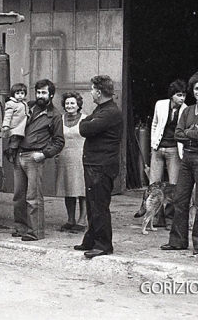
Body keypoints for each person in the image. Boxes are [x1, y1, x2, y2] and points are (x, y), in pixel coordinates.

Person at [160, 71, 198, 255]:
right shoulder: (187, 110)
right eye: (196, 89)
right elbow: (176, 134)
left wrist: (190, 133)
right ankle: (177, 241)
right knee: (180, 199)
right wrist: (192, 133)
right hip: (186, 158)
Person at [73, 75, 123, 259]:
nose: (90, 92)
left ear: (99, 92)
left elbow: (84, 128)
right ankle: (91, 239)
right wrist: (87, 122)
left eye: (92, 89)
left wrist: (87, 123)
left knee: (99, 205)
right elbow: (85, 124)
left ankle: (103, 244)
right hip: (95, 164)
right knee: (93, 203)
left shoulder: (110, 112)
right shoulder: (102, 109)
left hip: (101, 165)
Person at [12, 79, 65, 241]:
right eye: (38, 92)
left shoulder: (54, 115)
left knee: (33, 197)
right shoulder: (28, 107)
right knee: (18, 196)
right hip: (19, 154)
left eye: (44, 93)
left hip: (34, 157)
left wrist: (44, 154)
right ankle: (21, 228)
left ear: (51, 95)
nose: (40, 95)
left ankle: (35, 232)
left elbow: (59, 141)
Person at [148, 79, 188, 227]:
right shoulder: (160, 104)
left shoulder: (186, 109)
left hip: (174, 149)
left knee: (174, 184)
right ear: (172, 95)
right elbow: (154, 123)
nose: (182, 98)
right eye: (179, 95)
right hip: (159, 147)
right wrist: (153, 144)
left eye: (184, 95)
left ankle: (171, 217)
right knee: (154, 183)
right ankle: (157, 217)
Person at [55, 91, 88, 232]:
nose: (69, 106)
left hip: (81, 158)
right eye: (67, 103)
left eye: (72, 103)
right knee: (68, 189)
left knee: (82, 190)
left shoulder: (86, 119)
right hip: (64, 158)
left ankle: (82, 220)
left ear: (78, 105)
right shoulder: (59, 119)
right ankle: (70, 219)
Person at [1, 83, 29, 164]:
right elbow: (7, 116)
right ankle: (10, 152)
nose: (20, 95)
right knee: (15, 140)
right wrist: (6, 125)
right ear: (13, 94)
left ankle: (11, 151)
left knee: (17, 140)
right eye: (17, 93)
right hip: (15, 126)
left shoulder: (23, 103)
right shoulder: (11, 104)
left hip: (21, 125)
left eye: (22, 93)